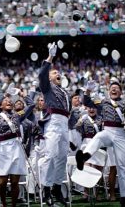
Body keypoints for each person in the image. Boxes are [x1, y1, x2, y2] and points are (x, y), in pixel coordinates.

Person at [76, 80, 125, 207]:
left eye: (116, 88)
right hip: (108, 130)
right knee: (98, 136)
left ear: (121, 91)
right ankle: (84, 156)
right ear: (109, 91)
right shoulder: (103, 102)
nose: (114, 90)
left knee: (122, 166)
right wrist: (87, 91)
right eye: (112, 88)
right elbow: (86, 102)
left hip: (121, 133)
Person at [0, 94, 35, 207]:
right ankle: (3, 203)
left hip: (16, 148)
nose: (9, 102)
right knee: (2, 182)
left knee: (14, 182)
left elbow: (31, 105)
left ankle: (13, 205)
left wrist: (24, 95)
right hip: (3, 149)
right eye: (5, 100)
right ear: (1, 105)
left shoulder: (18, 115)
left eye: (10, 100)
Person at [38, 42, 71, 206]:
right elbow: (41, 74)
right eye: (54, 73)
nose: (58, 74)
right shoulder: (48, 87)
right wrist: (50, 57)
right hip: (53, 121)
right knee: (50, 155)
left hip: (65, 123)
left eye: (59, 73)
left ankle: (57, 188)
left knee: (63, 157)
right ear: (50, 78)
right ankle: (46, 189)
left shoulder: (65, 92)